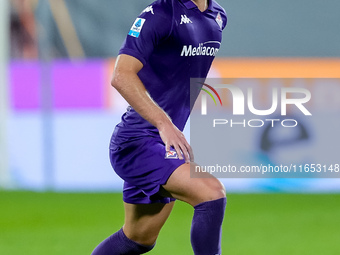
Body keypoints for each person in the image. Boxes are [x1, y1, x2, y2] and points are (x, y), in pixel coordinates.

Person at [92, 0, 227, 254]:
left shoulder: (217, 16)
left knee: (138, 238)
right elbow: (121, 75)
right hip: (136, 141)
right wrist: (164, 123)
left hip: (164, 142)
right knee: (211, 193)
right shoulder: (162, 13)